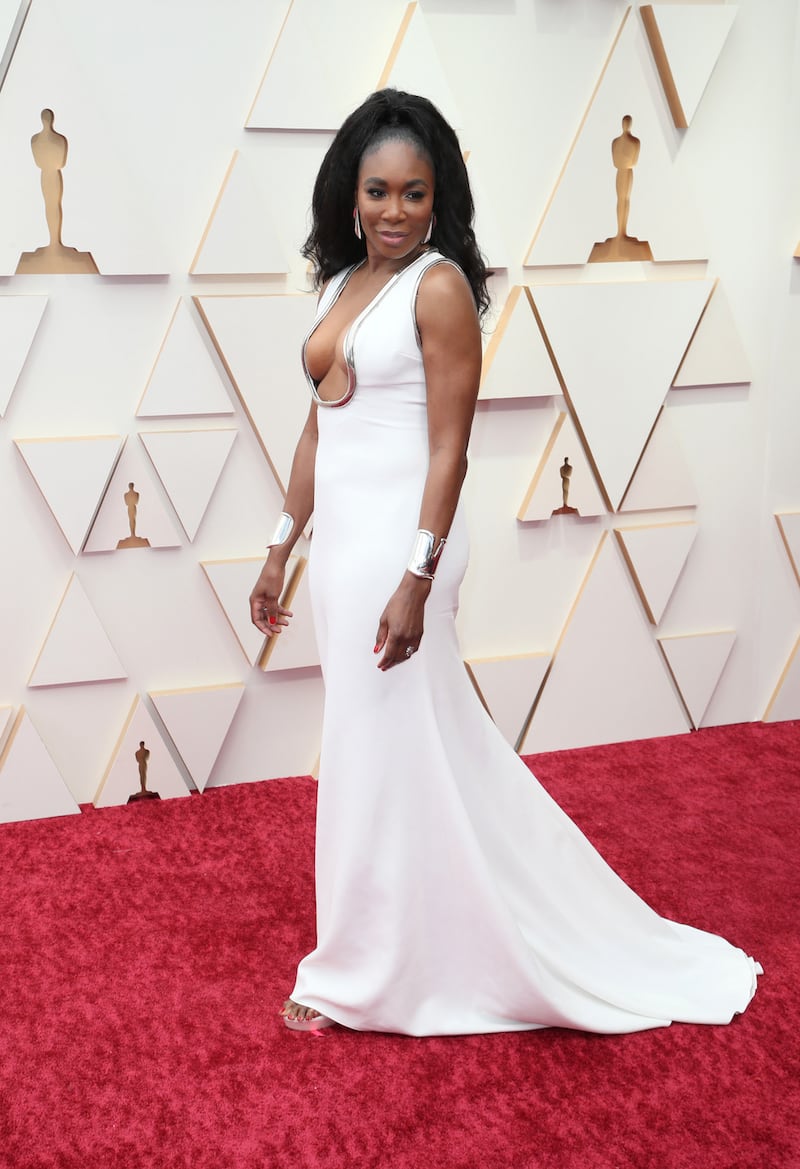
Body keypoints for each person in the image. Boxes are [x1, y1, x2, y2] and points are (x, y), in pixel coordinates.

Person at [248, 89, 760, 1037]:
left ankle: (359, 970)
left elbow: (451, 449)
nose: (395, 211)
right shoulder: (338, 284)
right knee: (399, 744)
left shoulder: (439, 285)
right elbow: (321, 427)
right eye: (377, 192)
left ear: (439, 196)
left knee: (378, 747)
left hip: (405, 549)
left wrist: (418, 578)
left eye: (414, 192)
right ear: (349, 195)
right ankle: (404, 938)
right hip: (346, 546)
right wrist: (282, 546)